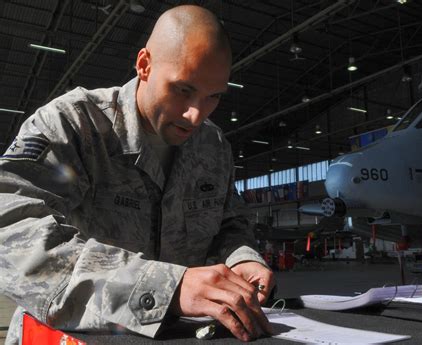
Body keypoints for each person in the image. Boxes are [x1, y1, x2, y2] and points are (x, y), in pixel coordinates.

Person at [0, 5, 274, 344]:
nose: (195, 115)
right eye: (183, 90)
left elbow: (230, 223)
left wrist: (240, 259)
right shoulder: (76, 126)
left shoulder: (212, 147)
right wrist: (165, 286)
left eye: (213, 97)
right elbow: (9, 229)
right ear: (144, 64)